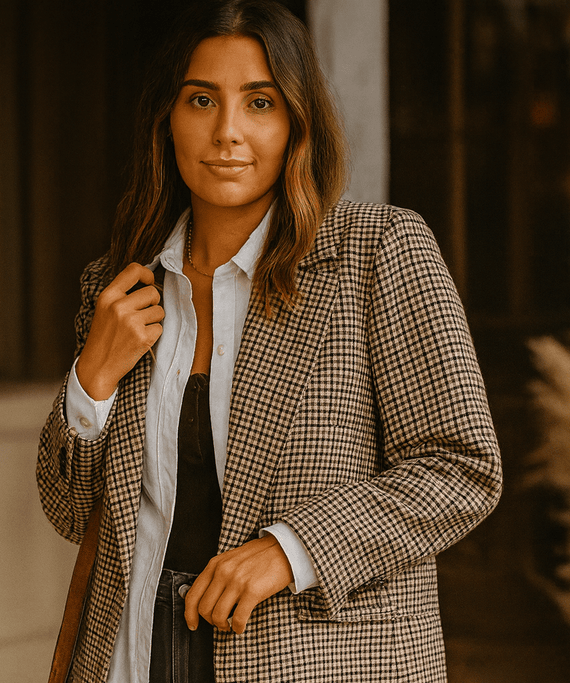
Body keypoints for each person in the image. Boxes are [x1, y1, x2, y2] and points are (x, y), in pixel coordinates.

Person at [36, 1, 503, 681]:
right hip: (137, 659)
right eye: (202, 100)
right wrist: (92, 378)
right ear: (168, 118)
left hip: (323, 663)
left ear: (295, 124)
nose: (227, 131)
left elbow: (462, 467)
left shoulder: (378, 253)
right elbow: (70, 510)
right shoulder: (115, 288)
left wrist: (291, 549)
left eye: (259, 103)